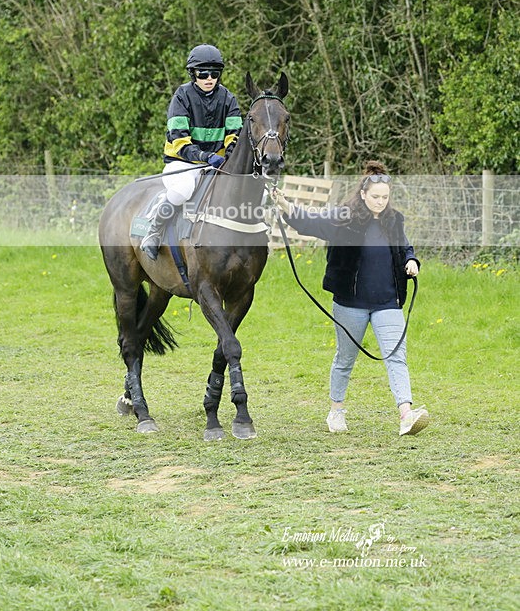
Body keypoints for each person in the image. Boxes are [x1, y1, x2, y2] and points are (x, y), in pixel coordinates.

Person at [272, 160, 429, 437]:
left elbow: (405, 247)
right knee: (345, 359)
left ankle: (406, 415)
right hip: (350, 304)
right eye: (376, 197)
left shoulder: (395, 220)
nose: (380, 202)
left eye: (385, 197)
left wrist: (411, 260)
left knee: (397, 358)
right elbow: (313, 223)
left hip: (388, 302)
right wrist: (288, 208)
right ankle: (336, 411)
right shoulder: (344, 217)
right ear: (363, 194)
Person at [141, 44, 242, 260]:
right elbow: (179, 141)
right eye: (202, 73)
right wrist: (205, 157)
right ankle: (154, 232)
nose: (209, 78)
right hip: (183, 162)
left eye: (214, 74)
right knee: (183, 190)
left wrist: (228, 155)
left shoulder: (228, 98)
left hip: (218, 163)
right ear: (193, 73)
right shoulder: (181, 96)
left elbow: (235, 133)